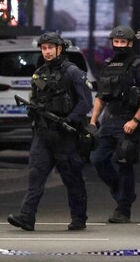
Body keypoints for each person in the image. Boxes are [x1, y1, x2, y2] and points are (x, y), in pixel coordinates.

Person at [7, 32, 93, 231]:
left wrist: (68, 119)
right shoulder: (39, 73)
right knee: (35, 175)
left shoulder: (73, 72)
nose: (46, 52)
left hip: (66, 136)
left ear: (59, 49)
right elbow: (36, 98)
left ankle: (79, 218)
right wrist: (33, 110)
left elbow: (85, 102)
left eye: (50, 48)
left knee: (72, 178)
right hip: (43, 134)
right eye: (43, 48)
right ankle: (27, 216)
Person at [89, 25, 140, 223]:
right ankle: (120, 191)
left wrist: (135, 120)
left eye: (123, 42)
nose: (119, 45)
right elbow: (101, 96)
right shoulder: (108, 64)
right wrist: (93, 120)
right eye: (116, 42)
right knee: (97, 159)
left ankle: (123, 208)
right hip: (109, 120)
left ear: (130, 43)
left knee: (124, 163)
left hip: (129, 120)